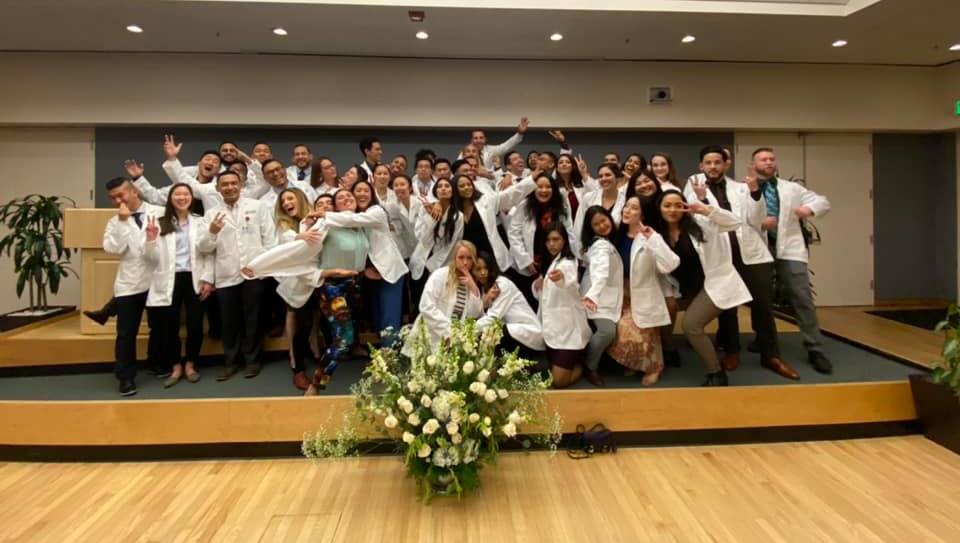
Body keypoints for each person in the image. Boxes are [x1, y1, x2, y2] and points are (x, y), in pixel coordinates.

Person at [685, 146, 799, 380]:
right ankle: (732, 350)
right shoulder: (694, 187)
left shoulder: (741, 188)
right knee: (727, 307)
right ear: (701, 166)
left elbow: (756, 219)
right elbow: (701, 217)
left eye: (718, 162)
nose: (713, 166)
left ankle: (771, 356)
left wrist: (755, 192)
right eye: (708, 162)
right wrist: (703, 198)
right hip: (722, 256)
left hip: (752, 255)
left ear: (726, 164)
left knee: (763, 307)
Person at [657, 190, 752, 386]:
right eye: (667, 205)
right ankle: (667, 352)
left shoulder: (700, 224)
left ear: (685, 207)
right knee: (664, 307)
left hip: (713, 284)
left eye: (678, 205)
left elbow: (735, 222)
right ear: (659, 208)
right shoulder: (659, 233)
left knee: (691, 326)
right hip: (684, 289)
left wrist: (706, 210)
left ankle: (716, 373)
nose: (673, 209)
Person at [753, 147, 833, 373]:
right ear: (754, 164)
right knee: (760, 298)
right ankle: (762, 340)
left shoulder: (792, 188)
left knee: (801, 296)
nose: (768, 162)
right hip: (759, 249)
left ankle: (815, 348)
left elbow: (823, 201)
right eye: (763, 159)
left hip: (790, 249)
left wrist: (808, 208)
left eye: (771, 159)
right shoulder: (744, 189)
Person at [196, 171, 277, 381]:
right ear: (218, 188)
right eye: (225, 184)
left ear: (241, 185)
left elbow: (269, 239)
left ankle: (252, 360)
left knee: (253, 318)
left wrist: (263, 268)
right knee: (228, 321)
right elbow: (203, 248)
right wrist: (212, 231)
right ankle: (230, 361)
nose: (230, 187)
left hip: (253, 273)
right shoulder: (211, 214)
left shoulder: (257, 207)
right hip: (225, 275)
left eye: (234, 183)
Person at [319, 180, 409, 347]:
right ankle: (383, 358)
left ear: (372, 194)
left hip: (390, 272)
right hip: (371, 273)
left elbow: (354, 220)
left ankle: (390, 362)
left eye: (366, 191)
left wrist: (323, 215)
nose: (361, 194)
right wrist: (366, 269)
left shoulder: (376, 211)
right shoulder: (352, 217)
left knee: (389, 320)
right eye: (357, 191)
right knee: (378, 318)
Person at [142, 183, 214, 388]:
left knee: (195, 325)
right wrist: (150, 239)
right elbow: (150, 257)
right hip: (169, 279)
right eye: (177, 194)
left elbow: (208, 253)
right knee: (169, 326)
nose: (182, 198)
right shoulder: (159, 222)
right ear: (170, 198)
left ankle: (191, 364)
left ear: (192, 198)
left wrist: (208, 279)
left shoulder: (200, 222)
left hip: (195, 279)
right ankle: (175, 366)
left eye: (186, 194)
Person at [606, 196, 679, 386]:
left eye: (633, 208)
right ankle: (636, 362)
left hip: (643, 292)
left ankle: (655, 366)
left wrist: (654, 239)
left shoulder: (650, 237)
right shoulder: (617, 234)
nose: (627, 210)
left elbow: (671, 264)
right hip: (621, 291)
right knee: (619, 332)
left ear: (643, 214)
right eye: (626, 206)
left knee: (638, 334)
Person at [101, 176, 163, 396]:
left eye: (121, 195)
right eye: (113, 198)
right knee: (126, 333)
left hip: (157, 279)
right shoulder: (114, 221)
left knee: (159, 327)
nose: (118, 200)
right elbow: (113, 248)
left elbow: (167, 246)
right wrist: (122, 222)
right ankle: (125, 377)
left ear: (134, 192)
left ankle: (156, 363)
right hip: (130, 283)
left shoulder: (160, 212)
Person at [532, 222, 591, 388]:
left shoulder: (568, 262)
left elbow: (570, 280)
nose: (552, 244)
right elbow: (543, 296)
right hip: (553, 332)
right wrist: (539, 283)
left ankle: (582, 366)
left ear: (564, 240)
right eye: (549, 240)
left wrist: (561, 278)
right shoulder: (550, 262)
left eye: (556, 239)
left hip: (569, 333)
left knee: (558, 381)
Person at [507, 173, 576, 309]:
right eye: (540, 187)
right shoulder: (525, 205)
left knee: (553, 303)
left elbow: (569, 232)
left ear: (554, 189)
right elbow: (513, 233)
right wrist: (526, 261)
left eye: (548, 187)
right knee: (531, 304)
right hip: (530, 263)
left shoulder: (561, 206)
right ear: (533, 188)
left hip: (554, 260)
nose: (544, 190)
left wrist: (569, 258)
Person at [404, 241, 484, 354]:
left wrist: (473, 287)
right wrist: (448, 330)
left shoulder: (469, 282)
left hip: (452, 341)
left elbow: (474, 314)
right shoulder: (440, 275)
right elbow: (426, 306)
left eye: (469, 258)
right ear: (454, 258)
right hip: (430, 335)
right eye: (461, 257)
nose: (465, 262)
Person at [579, 205, 624, 387]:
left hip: (604, 295)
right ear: (591, 228)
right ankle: (588, 366)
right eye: (596, 224)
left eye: (603, 220)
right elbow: (601, 272)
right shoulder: (600, 246)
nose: (602, 225)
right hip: (597, 296)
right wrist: (594, 295)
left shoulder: (607, 241)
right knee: (607, 332)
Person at [473, 251, 545, 357]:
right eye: (478, 269)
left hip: (526, 333)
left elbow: (493, 318)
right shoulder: (484, 289)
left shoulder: (502, 283)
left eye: (486, 268)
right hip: (511, 334)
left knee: (492, 333)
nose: (483, 272)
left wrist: (468, 330)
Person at [573, 163, 625, 253]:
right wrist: (583, 253)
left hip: (618, 252)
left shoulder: (625, 201)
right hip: (590, 252)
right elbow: (578, 227)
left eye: (608, 175)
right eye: (600, 176)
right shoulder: (588, 198)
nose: (604, 178)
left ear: (617, 177)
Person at [464, 117, 529, 170]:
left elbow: (506, 146)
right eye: (475, 138)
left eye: (481, 138)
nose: (478, 140)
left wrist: (520, 133)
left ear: (485, 139)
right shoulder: (465, 153)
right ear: (471, 140)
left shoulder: (491, 150)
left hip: (488, 181)